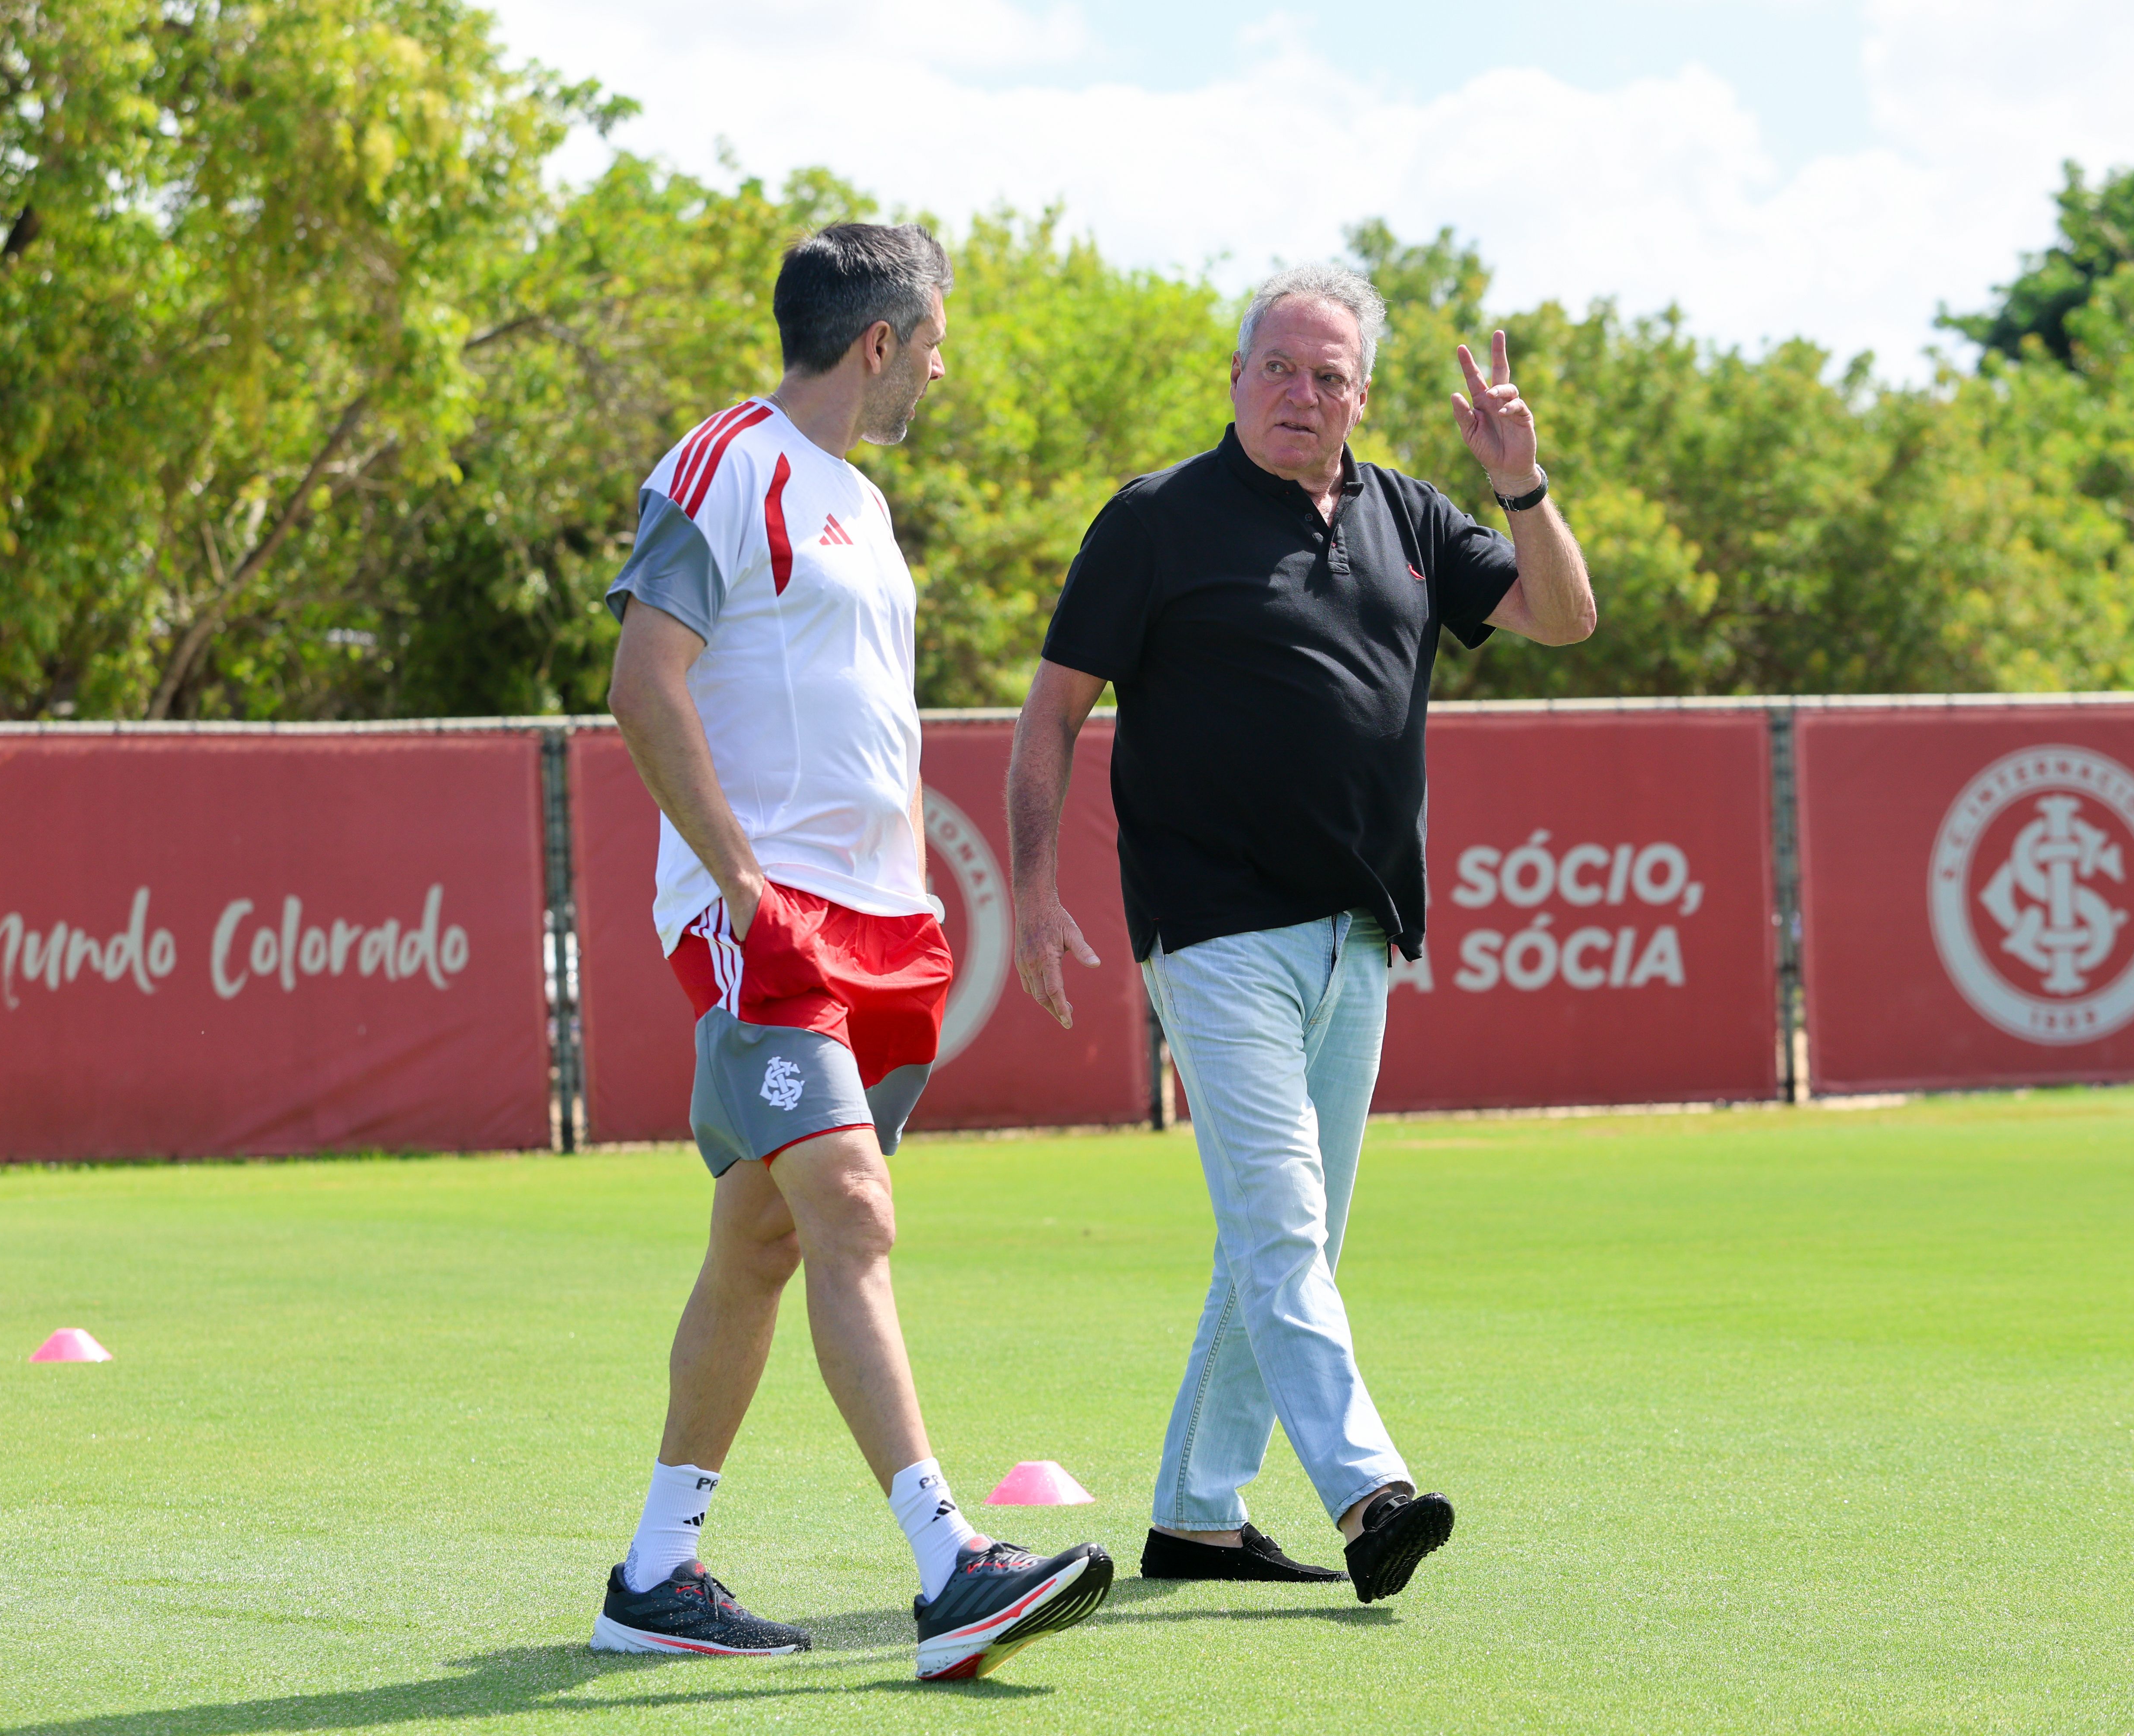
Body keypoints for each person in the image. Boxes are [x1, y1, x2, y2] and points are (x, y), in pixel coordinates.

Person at [1005, 263, 1594, 1603]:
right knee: (1283, 1226)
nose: (1301, 393)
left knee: (1292, 1242)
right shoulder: (1156, 520)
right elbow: (1051, 715)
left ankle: (1198, 1518)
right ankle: (1370, 1494)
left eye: (1329, 376)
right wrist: (1034, 892)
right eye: (1277, 366)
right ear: (1235, 378)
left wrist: (1522, 485)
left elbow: (1564, 618)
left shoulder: (1414, 517)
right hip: (1215, 932)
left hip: (1361, 935)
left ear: (1361, 399)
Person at [594, 221, 1111, 1681]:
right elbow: (644, 682)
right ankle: (953, 1565)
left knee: (761, 1242)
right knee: (852, 1214)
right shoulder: (726, 462)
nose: (940, 369)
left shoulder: (866, 505)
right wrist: (741, 879)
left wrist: (908, 901)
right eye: (933, 342)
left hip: (883, 931)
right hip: (768, 922)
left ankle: (655, 1577)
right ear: (879, 340)